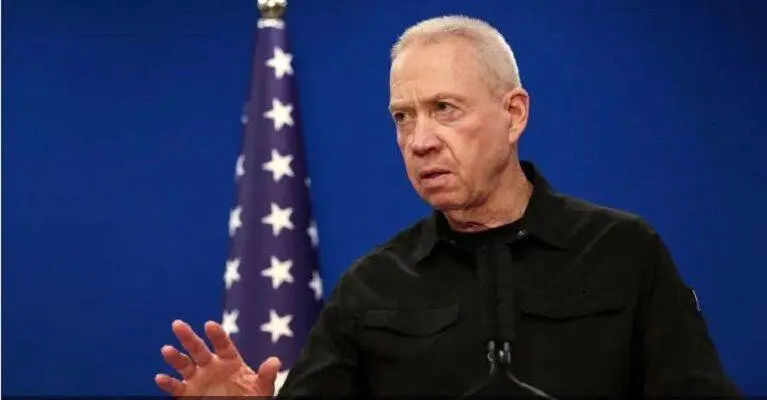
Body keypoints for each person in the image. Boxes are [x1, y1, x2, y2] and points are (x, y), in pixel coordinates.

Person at [154, 15, 740, 398]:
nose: (420, 140)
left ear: (514, 114)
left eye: (444, 109)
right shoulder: (372, 287)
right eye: (402, 117)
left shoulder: (624, 253)